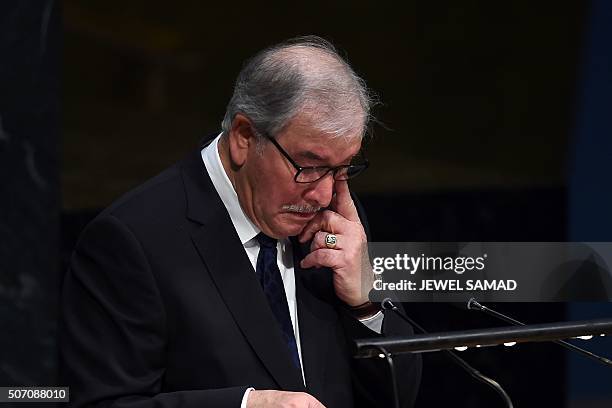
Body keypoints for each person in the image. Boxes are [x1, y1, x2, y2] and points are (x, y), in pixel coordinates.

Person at [60, 36, 421, 408]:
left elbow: (396, 397)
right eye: (309, 166)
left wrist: (366, 306)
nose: (324, 195)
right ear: (244, 137)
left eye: (343, 168)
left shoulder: (335, 220)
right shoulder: (131, 240)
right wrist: (245, 406)